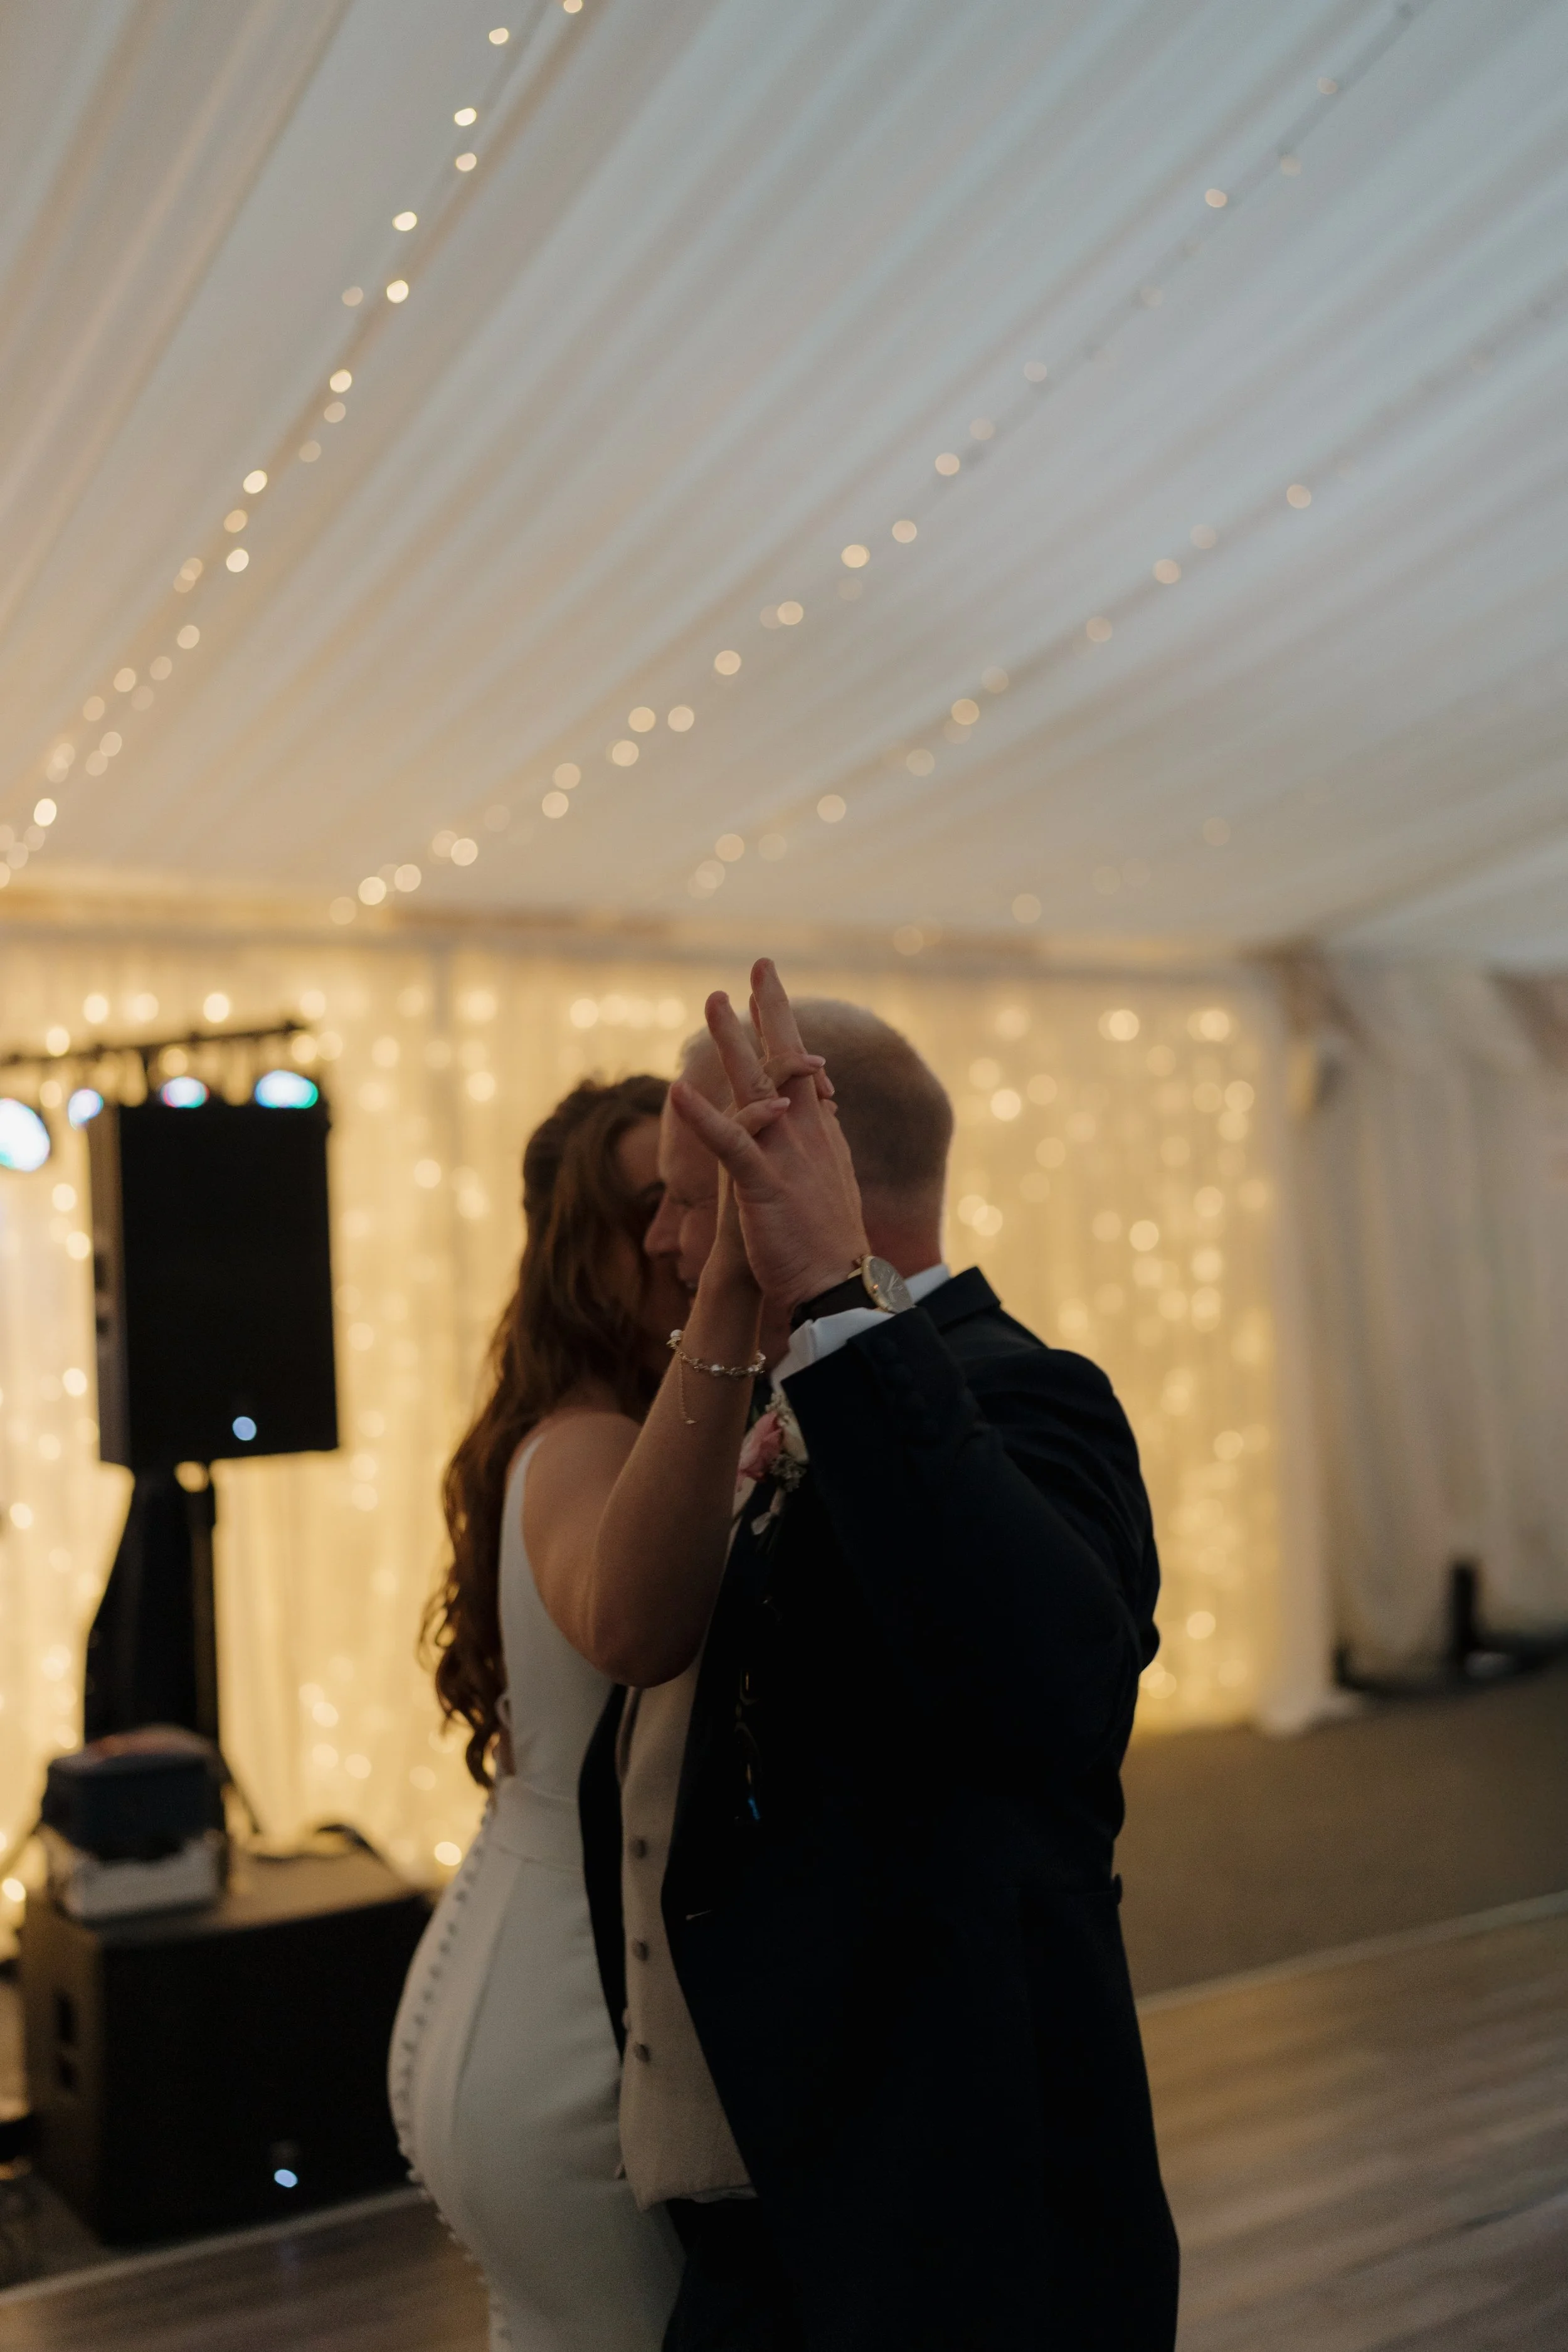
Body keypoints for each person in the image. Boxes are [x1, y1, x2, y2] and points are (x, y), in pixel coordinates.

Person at [569, 965, 1180, 2351]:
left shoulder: (1025, 1391)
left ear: (781, 1170)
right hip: (769, 2199)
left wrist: (837, 1303)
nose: (662, 1239)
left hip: (947, 2222)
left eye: (680, 1191)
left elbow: (1049, 1692)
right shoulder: (748, 1405)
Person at [390, 1076, 687, 2351]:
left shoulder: (603, 1427)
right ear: (583, 1255)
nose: (686, 1232)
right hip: (567, 2039)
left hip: (521, 1992)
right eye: (650, 1206)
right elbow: (625, 1627)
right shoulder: (586, 1447)